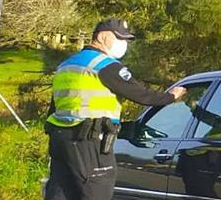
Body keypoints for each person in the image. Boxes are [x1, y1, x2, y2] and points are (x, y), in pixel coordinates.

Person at [44, 19, 187, 200]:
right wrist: (171, 96)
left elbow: (54, 108)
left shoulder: (65, 66)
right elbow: (141, 95)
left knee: (61, 192)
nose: (124, 44)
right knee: (96, 191)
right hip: (89, 142)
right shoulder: (104, 65)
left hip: (60, 140)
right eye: (120, 39)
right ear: (103, 37)